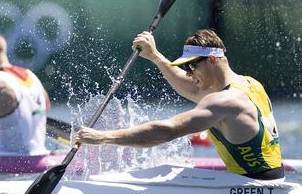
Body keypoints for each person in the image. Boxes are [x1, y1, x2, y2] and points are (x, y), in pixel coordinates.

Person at [74, 29, 283, 180]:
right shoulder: (249, 83)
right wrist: (154, 56)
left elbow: (167, 131)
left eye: (192, 66)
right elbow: (192, 88)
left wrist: (102, 137)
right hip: (271, 180)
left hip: (253, 190)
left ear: (211, 60)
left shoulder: (221, 102)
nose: (190, 74)